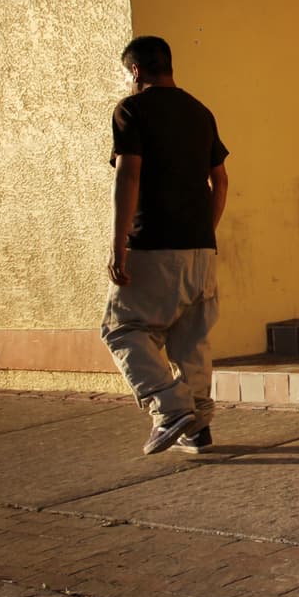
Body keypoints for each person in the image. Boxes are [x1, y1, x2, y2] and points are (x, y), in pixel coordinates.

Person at [101, 35, 229, 455]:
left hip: (152, 244)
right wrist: (203, 231)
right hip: (200, 249)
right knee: (190, 339)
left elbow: (129, 176)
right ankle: (198, 428)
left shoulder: (131, 110)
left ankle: (170, 406)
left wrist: (118, 245)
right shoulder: (200, 112)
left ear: (136, 71)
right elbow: (221, 180)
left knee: (123, 328)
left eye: (129, 73)